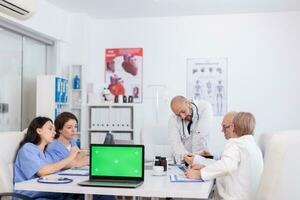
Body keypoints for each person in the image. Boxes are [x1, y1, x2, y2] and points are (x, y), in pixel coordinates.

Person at [185, 112, 264, 200]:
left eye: (224, 127)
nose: (222, 130)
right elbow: (230, 166)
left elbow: (226, 166)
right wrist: (205, 166)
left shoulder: (235, 143)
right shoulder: (252, 145)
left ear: (233, 127)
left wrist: (199, 174)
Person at [14, 116, 79, 199]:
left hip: (47, 193)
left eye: (54, 130)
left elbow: (58, 168)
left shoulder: (45, 154)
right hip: (31, 196)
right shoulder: (28, 148)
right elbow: (42, 171)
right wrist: (71, 156)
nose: (54, 133)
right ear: (39, 130)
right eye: (50, 129)